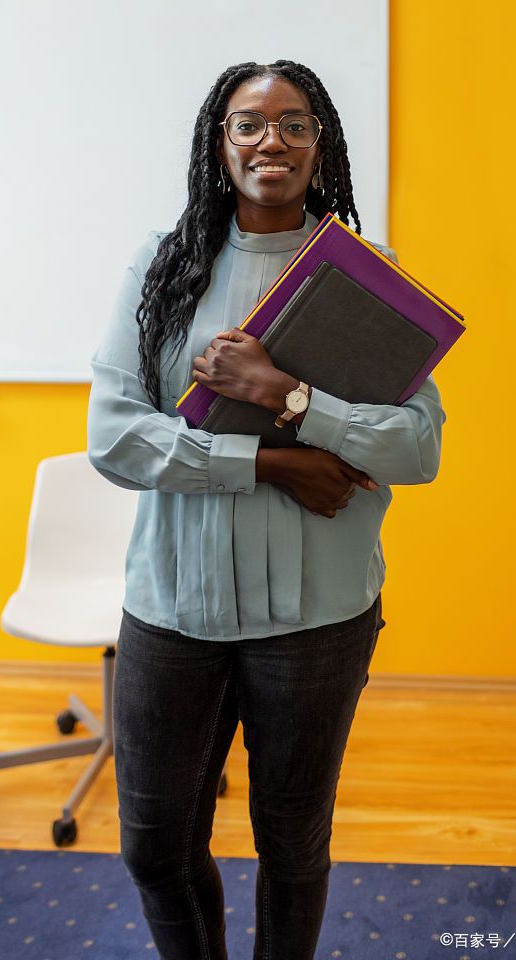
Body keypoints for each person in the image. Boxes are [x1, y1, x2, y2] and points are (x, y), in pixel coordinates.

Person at [87, 59, 445, 959]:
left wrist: (291, 398)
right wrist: (276, 463)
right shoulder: (161, 265)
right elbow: (116, 438)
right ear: (220, 147)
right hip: (173, 609)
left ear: (321, 149)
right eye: (248, 125)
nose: (269, 142)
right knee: (155, 848)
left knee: (292, 848)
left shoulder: (369, 276)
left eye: (293, 124)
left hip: (317, 618)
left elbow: (418, 449)